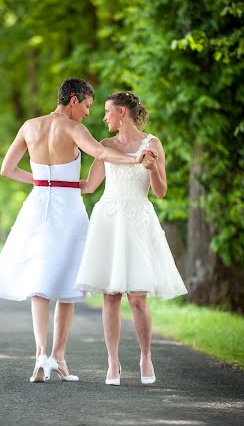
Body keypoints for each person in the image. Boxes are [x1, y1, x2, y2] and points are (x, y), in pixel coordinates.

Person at [0, 79, 154, 383]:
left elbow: (7, 170)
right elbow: (101, 155)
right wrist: (134, 158)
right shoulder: (74, 129)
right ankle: (59, 357)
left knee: (39, 281)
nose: (89, 113)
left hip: (38, 204)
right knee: (68, 283)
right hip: (68, 207)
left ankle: (40, 356)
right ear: (73, 100)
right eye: (88, 106)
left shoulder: (29, 126)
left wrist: (41, 181)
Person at [75, 91, 188, 386]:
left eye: (107, 112)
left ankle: (145, 356)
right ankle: (113, 363)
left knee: (137, 297)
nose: (103, 117)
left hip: (138, 218)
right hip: (109, 219)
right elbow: (89, 186)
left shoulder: (152, 144)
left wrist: (151, 169)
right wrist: (52, 178)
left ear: (122, 112)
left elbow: (161, 191)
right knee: (110, 296)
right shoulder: (105, 145)